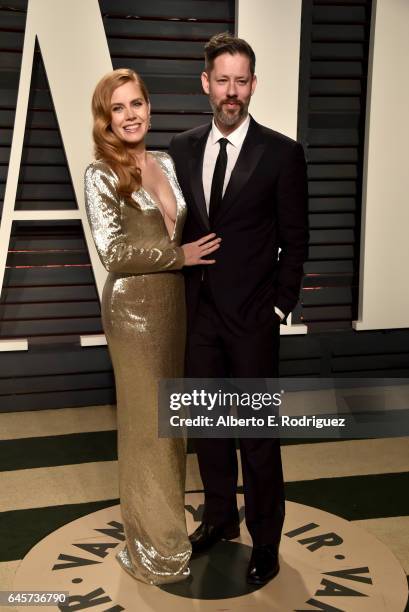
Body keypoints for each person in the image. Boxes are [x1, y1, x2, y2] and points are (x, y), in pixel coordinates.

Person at [169, 33, 309, 585]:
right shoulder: (180, 147)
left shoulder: (282, 153)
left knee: (255, 434)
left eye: (242, 80)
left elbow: (295, 241)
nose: (232, 91)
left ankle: (267, 541)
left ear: (253, 84)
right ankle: (221, 519)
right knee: (208, 426)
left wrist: (279, 307)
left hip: (254, 319)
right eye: (222, 80)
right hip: (198, 315)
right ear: (206, 83)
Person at [84, 68, 221, 585]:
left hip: (174, 309)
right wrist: (177, 255)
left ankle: (166, 534)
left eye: (136, 103)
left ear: (149, 107)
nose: (130, 115)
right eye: (118, 108)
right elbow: (114, 252)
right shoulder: (100, 173)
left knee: (172, 425)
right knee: (146, 430)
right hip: (132, 312)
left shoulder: (164, 161)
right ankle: (153, 548)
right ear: (106, 118)